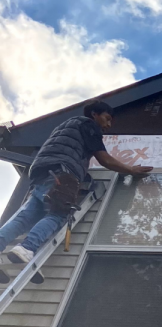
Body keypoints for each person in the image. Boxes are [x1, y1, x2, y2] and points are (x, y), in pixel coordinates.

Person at [0, 100, 153, 284]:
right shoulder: (88, 125)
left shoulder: (64, 126)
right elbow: (104, 159)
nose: (108, 125)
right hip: (61, 171)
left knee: (26, 217)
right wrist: (131, 170)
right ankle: (27, 247)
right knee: (59, 213)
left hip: (41, 170)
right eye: (107, 119)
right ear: (95, 114)